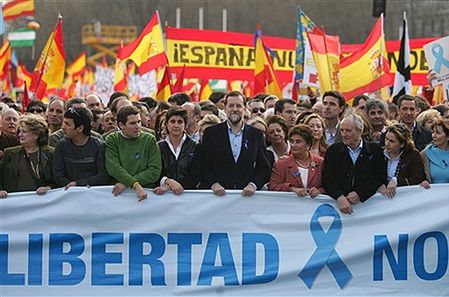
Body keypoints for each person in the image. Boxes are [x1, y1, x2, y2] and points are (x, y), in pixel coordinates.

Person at [201, 91, 271, 196]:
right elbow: (203, 164)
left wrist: (253, 184)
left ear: (244, 108)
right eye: (231, 106)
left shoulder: (256, 135)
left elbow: (264, 167)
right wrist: (213, 183)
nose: (234, 109)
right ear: (225, 108)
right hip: (217, 197)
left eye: (238, 106)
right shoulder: (211, 133)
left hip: (246, 197)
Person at [322, 113, 386, 214]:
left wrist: (360, 193)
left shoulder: (374, 150)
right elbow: (327, 177)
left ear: (360, 131)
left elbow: (380, 175)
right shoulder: (333, 151)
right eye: (342, 130)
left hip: (369, 207)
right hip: (339, 206)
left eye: (348, 131)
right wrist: (339, 196)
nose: (343, 134)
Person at [105, 105, 161, 201]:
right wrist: (135, 184)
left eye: (139, 122)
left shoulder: (149, 139)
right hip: (119, 196)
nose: (138, 126)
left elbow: (154, 170)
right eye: (132, 123)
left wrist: (128, 183)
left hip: (146, 195)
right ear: (121, 125)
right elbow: (113, 168)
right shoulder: (112, 139)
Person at [53, 107, 110, 189]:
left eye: (67, 124)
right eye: (63, 123)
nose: (63, 127)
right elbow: (57, 175)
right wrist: (70, 186)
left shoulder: (98, 146)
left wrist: (79, 184)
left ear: (80, 128)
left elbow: (103, 176)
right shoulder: (61, 146)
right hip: (67, 194)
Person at [0, 114, 54, 198]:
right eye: (19, 131)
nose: (20, 134)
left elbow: (57, 178)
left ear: (36, 134)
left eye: (24, 131)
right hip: (14, 203)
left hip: (42, 202)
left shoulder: (50, 153)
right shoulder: (9, 153)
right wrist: (1, 190)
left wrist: (48, 188)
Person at [268, 125, 324, 197]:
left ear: (308, 144)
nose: (293, 145)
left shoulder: (321, 162)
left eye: (298, 142)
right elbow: (272, 186)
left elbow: (329, 186)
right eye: (291, 141)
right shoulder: (281, 164)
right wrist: (292, 189)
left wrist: (319, 191)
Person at [154, 108, 198, 195]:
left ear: (185, 125)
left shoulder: (195, 146)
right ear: (166, 124)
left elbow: (195, 176)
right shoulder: (158, 147)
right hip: (163, 195)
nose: (176, 125)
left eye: (180, 122)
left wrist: (171, 186)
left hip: (189, 196)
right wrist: (166, 181)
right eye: (172, 121)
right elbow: (155, 172)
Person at [378, 123, 426, 198]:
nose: (387, 143)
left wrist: (397, 180)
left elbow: (417, 179)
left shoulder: (413, 155)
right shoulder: (378, 153)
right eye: (386, 139)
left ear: (402, 144)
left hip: (405, 198)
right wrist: (378, 184)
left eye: (392, 141)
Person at [421, 119, 449, 184]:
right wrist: (423, 182)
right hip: (433, 193)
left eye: (438, 133)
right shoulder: (425, 154)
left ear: (447, 137)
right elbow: (419, 178)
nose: (433, 136)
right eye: (433, 132)